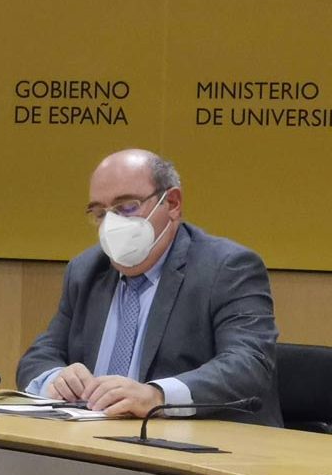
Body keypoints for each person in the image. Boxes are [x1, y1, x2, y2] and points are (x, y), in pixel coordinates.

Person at [16, 149, 282, 426]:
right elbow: (39, 356)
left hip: (199, 444)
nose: (111, 225)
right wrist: (56, 378)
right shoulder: (86, 270)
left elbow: (250, 364)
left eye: (127, 208)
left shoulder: (226, 268)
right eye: (99, 213)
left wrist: (157, 396)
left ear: (173, 203)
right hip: (93, 440)